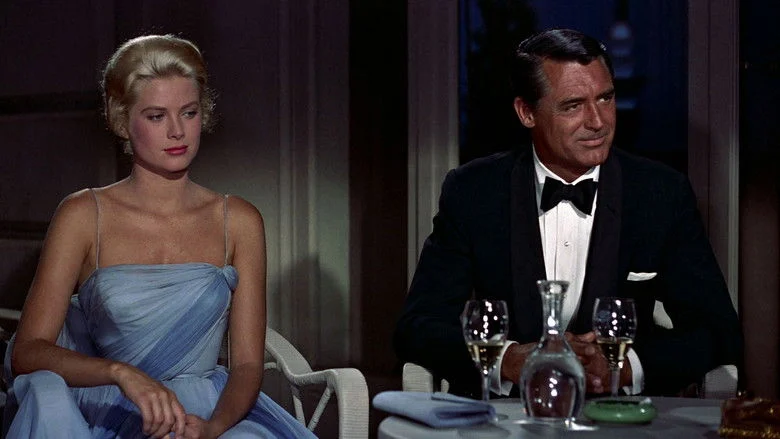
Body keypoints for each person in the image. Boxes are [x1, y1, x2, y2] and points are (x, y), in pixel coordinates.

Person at [394, 28, 743, 398]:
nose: (598, 121)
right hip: (505, 414)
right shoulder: (474, 192)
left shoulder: (660, 194)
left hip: (619, 415)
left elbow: (719, 331)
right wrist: (509, 359)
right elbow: (417, 327)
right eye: (573, 105)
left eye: (606, 98)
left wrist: (624, 367)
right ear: (527, 112)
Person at [3, 35, 316, 438]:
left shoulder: (238, 220)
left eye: (189, 113)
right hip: (111, 405)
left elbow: (247, 365)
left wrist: (214, 427)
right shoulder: (82, 215)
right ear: (122, 121)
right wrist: (120, 373)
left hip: (210, 414)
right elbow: (28, 351)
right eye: (156, 116)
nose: (177, 131)